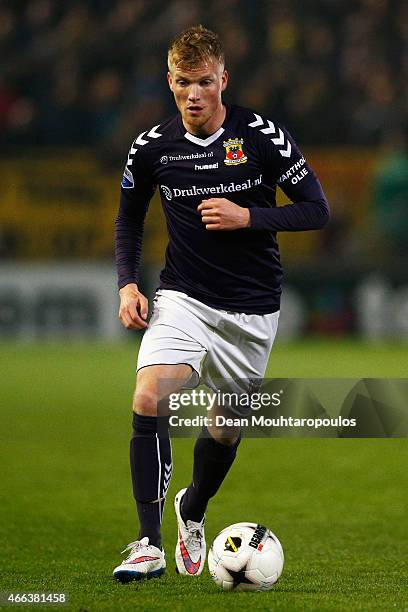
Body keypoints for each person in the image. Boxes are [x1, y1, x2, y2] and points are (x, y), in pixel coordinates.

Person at [113, 25, 329, 582]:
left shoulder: (260, 135)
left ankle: (193, 509)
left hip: (252, 309)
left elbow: (316, 209)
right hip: (183, 296)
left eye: (204, 81)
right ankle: (146, 543)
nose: (194, 94)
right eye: (183, 82)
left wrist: (249, 216)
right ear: (169, 81)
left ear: (223, 80)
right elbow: (129, 218)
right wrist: (127, 284)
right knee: (149, 393)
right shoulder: (152, 146)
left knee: (225, 428)